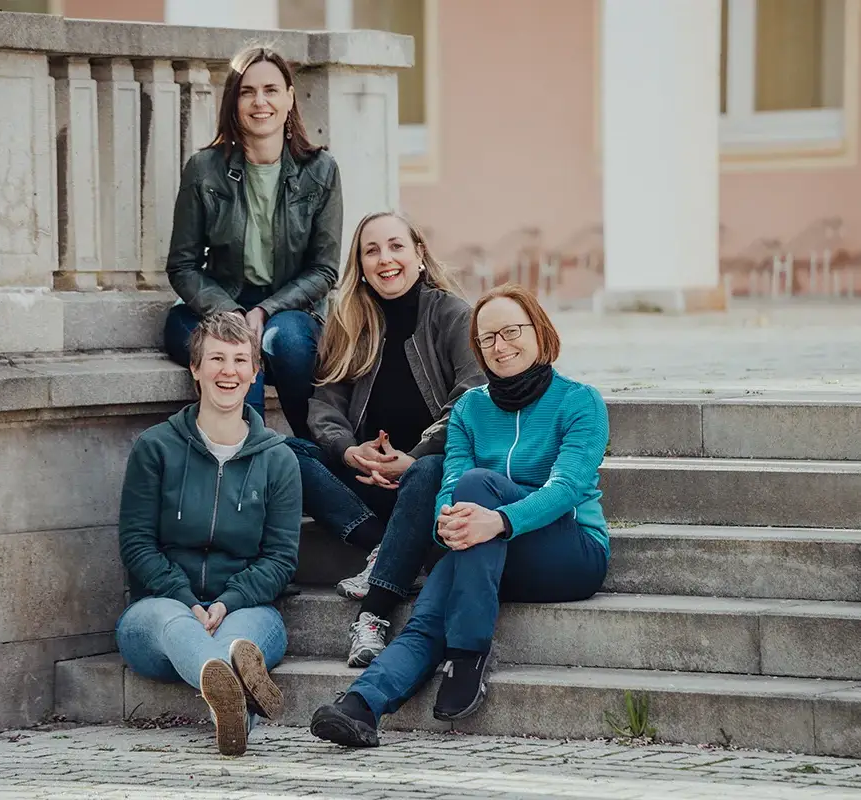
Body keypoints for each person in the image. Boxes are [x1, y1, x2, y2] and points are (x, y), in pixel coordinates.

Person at [309, 283, 611, 747]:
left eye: (512, 331)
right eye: (488, 338)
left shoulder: (578, 401)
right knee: (432, 604)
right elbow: (448, 486)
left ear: (540, 332)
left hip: (569, 552)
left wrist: (498, 521)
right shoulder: (471, 408)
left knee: (477, 487)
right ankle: (362, 705)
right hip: (485, 545)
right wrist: (446, 525)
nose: (500, 346)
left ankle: (469, 650)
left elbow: (566, 488)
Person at [287, 211, 485, 668]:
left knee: (429, 470)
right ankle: (390, 546)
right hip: (370, 482)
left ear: (419, 253)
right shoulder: (352, 322)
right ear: (360, 263)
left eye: (396, 246)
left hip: (432, 481)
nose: (385, 259)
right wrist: (350, 452)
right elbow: (325, 406)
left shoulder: (452, 314)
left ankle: (373, 614)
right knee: (285, 452)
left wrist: (412, 458)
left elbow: (471, 398)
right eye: (371, 250)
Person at [115, 313, 302, 756]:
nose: (229, 371)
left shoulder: (278, 460)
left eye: (240, 360)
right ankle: (234, 688)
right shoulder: (155, 448)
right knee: (174, 623)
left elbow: (280, 558)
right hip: (158, 613)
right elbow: (136, 543)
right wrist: (185, 598)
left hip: (246, 608)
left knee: (241, 640)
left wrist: (227, 602)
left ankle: (230, 701)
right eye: (216, 358)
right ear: (194, 368)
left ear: (255, 373)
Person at [163, 45, 343, 441]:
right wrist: (231, 314)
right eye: (247, 91)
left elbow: (325, 269)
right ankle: (250, 453)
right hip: (214, 302)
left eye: (271, 90)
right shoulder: (204, 170)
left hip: (290, 309)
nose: (260, 102)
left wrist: (264, 310)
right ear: (234, 100)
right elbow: (183, 265)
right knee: (233, 352)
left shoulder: (321, 170)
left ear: (289, 97)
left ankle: (314, 451)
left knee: (288, 342)